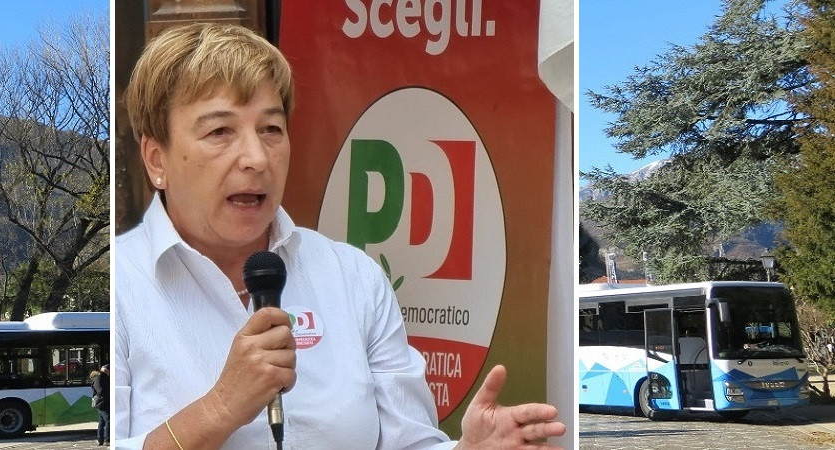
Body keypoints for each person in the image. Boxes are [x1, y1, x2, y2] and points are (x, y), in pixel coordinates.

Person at [115, 22, 566, 450]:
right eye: (220, 131)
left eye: (271, 129)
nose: (257, 157)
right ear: (157, 160)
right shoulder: (121, 286)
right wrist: (220, 408)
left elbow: (408, 441)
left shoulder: (353, 277)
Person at [92, 364, 110, 446]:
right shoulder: (101, 377)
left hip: (100, 402)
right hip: (103, 402)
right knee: (108, 420)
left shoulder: (98, 377)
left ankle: (100, 439)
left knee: (102, 421)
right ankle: (107, 440)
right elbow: (101, 391)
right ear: (106, 370)